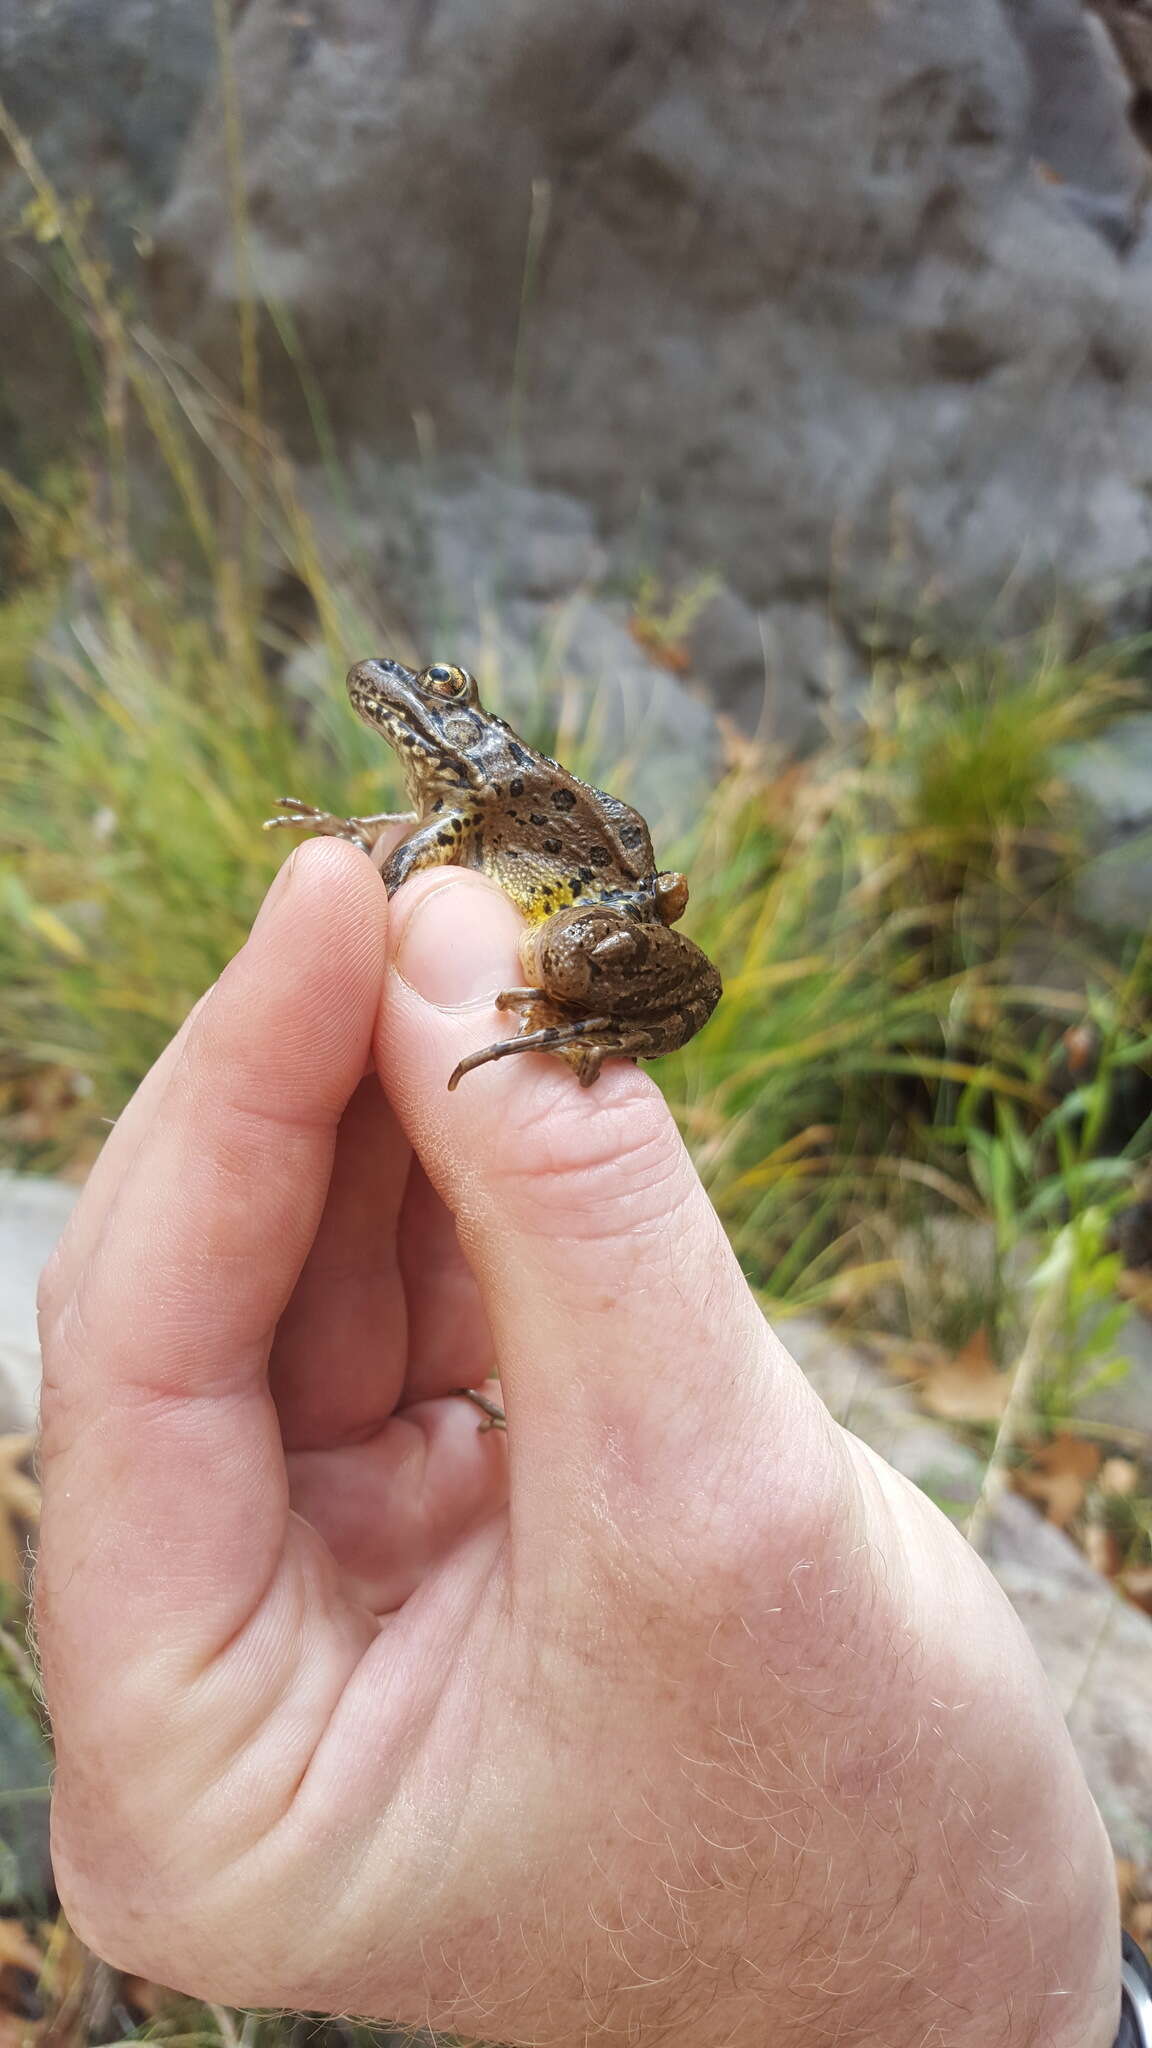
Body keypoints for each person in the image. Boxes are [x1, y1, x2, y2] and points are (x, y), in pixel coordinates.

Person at [35, 840, 1130, 2046]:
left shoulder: (484, 827)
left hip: (592, 916)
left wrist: (951, 1980)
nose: (411, 705)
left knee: (528, 958)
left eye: (437, 695)